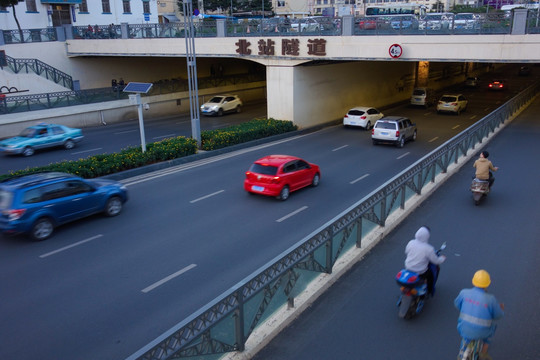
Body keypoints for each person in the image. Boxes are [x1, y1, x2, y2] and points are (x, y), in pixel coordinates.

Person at [454, 270, 504, 360]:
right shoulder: (491, 299)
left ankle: (462, 353)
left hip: (463, 328)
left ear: (473, 281)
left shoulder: (464, 293)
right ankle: (484, 353)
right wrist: (500, 308)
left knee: (465, 338)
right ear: (487, 284)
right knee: (492, 328)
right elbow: (498, 316)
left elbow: (457, 304)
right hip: (483, 332)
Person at [404, 226, 446, 296]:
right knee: (431, 277)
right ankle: (430, 290)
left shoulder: (411, 242)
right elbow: (436, 261)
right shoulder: (428, 248)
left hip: (408, 268)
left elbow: (406, 252)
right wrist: (442, 258)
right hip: (421, 271)